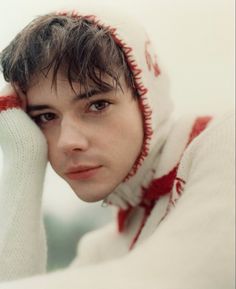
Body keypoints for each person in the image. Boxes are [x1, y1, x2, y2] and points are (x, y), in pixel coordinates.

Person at [0, 7, 234, 289]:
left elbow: (181, 276)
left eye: (97, 105)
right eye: (46, 116)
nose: (68, 142)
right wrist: (25, 157)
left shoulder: (224, 143)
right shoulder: (102, 251)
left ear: (147, 98)